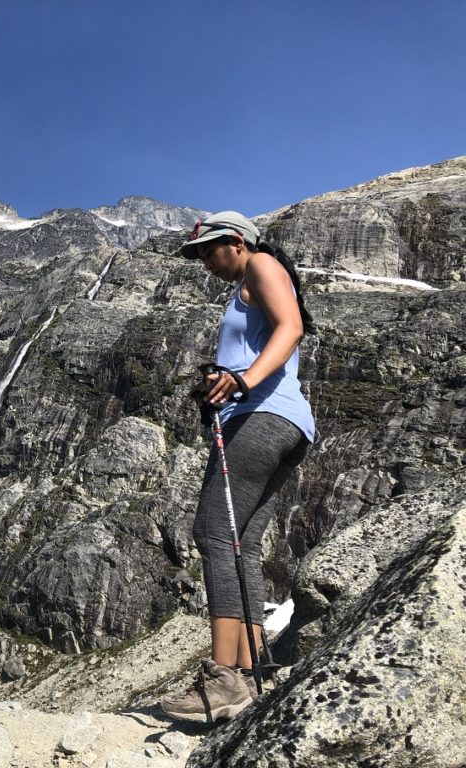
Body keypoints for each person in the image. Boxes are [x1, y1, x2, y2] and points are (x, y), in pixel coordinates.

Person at [159, 211, 315, 723]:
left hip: (262, 417)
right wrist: (222, 385)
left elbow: (291, 327)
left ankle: (222, 676)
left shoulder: (262, 265)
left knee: (213, 532)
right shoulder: (246, 283)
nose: (205, 260)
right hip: (284, 423)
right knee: (241, 543)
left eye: (210, 249)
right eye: (199, 253)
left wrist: (244, 381)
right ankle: (249, 672)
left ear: (240, 242)